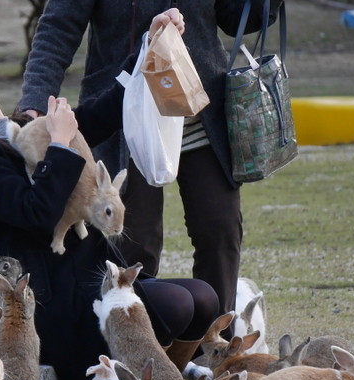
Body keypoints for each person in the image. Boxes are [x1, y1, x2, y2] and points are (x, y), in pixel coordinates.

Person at [0, 10, 218, 380]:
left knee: (204, 299)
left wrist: (151, 45)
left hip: (89, 278)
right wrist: (61, 144)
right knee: (179, 304)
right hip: (61, 307)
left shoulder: (17, 129)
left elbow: (104, 110)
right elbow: (37, 214)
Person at [18, 0, 284, 340]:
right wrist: (35, 100)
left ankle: (215, 354)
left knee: (219, 230)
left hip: (200, 114)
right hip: (127, 119)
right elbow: (58, 26)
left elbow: (236, 18)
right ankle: (132, 351)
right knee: (133, 243)